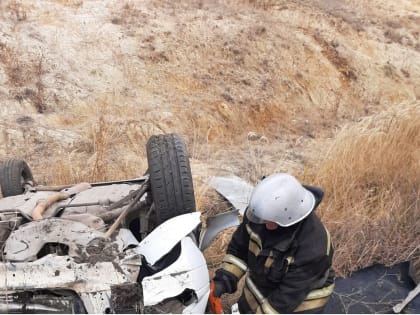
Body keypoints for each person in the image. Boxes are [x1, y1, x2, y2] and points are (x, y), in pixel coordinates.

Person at [211, 173, 335, 313]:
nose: (263, 224)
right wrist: (223, 280)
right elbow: (238, 250)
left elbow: (285, 300)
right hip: (265, 282)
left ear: (289, 217)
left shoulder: (314, 249)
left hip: (298, 301)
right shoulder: (260, 215)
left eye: (270, 221)